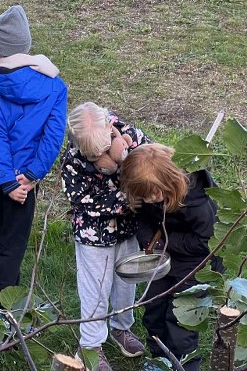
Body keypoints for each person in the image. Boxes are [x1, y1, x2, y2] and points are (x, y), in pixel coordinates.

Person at [0, 4, 67, 307]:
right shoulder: (55, 86)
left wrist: (7, 181)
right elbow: (53, 137)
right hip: (26, 181)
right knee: (13, 243)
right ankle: (6, 308)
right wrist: (30, 176)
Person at [61, 103, 150, 371]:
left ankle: (121, 327)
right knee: (95, 290)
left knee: (126, 282)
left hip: (127, 229)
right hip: (93, 234)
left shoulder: (131, 136)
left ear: (110, 127)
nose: (99, 156)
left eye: (103, 149)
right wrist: (124, 200)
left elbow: (150, 164)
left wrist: (129, 159)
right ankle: (90, 346)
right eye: (92, 154)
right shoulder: (73, 160)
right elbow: (82, 199)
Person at [120, 144, 223, 371]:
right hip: (164, 259)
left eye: (151, 195)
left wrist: (166, 243)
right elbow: (144, 219)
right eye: (143, 196)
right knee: (154, 309)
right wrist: (149, 239)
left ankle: (184, 365)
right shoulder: (151, 193)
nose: (148, 200)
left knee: (180, 321)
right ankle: (160, 360)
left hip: (197, 265)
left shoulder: (198, 203)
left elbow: (208, 242)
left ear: (169, 182)